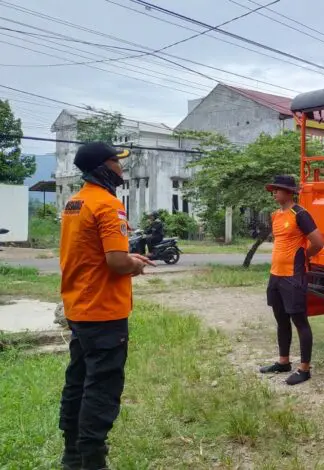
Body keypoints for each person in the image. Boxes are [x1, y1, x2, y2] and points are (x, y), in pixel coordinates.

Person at [58, 141, 155, 470]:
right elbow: (115, 261)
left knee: (78, 380)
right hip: (103, 310)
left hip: (79, 307)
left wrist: (128, 258)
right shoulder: (108, 205)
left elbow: (92, 255)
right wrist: (135, 264)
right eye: (117, 161)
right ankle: (93, 460)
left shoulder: (75, 202)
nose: (121, 168)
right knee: (102, 387)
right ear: (102, 167)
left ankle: (72, 455)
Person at [258, 175, 324, 385]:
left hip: (293, 276)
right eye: (273, 189)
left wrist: (305, 256)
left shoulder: (301, 214)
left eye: (277, 189)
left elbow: (318, 241)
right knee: (281, 319)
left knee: (300, 321)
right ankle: (283, 361)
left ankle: (304, 368)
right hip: (276, 274)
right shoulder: (276, 215)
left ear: (289, 192)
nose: (274, 193)